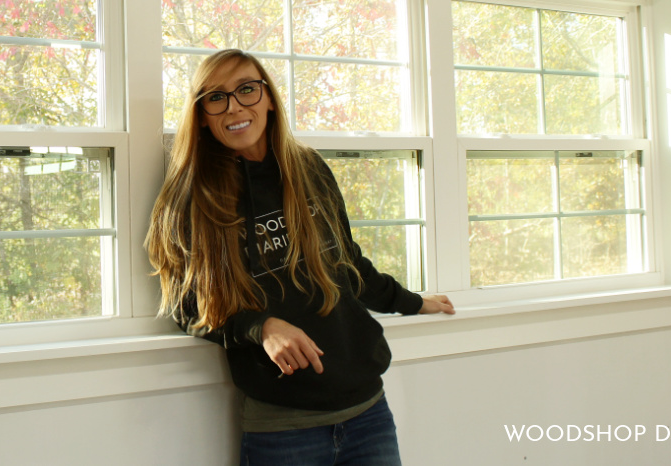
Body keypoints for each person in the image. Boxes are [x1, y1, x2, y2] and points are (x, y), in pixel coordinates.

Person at [146, 48, 455, 466]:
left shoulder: (308, 167)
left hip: (368, 412)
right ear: (202, 114)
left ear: (269, 98)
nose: (234, 106)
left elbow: (348, 266)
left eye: (247, 90)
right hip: (283, 429)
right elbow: (187, 307)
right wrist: (262, 327)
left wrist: (412, 301)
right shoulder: (191, 197)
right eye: (216, 97)